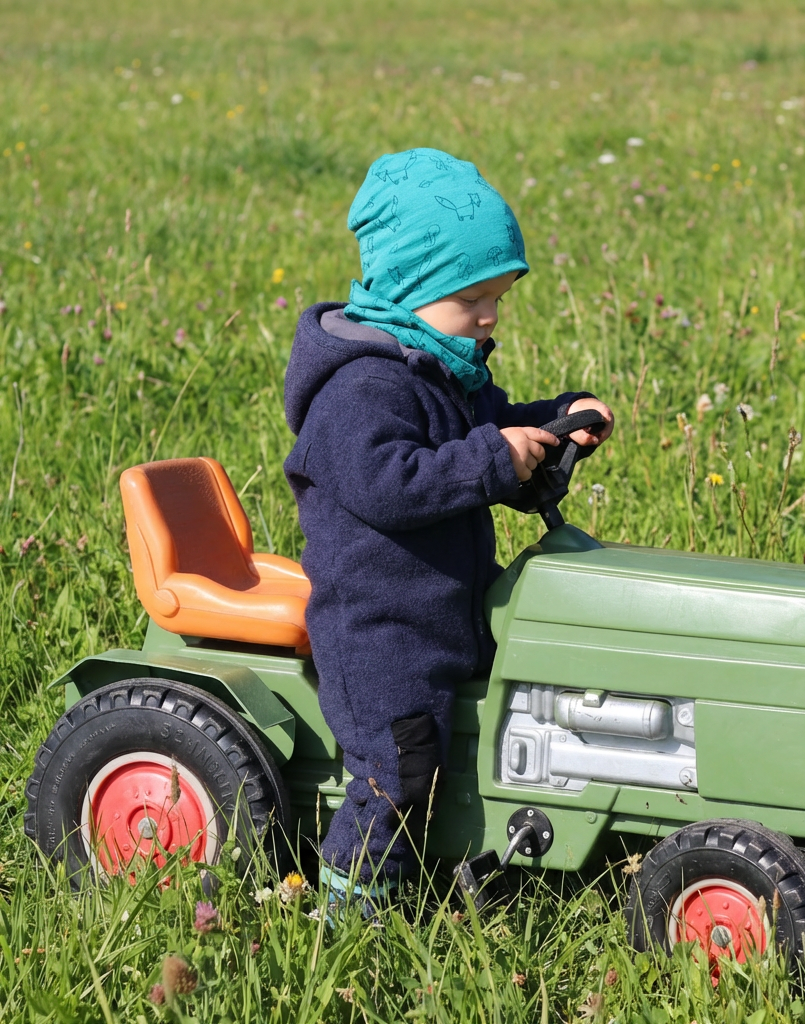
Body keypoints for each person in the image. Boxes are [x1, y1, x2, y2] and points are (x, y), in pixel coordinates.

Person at [282, 147, 613, 899]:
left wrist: (556, 421)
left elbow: (489, 427)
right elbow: (389, 485)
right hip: (383, 626)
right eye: (473, 301)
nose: (490, 317)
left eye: (499, 296)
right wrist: (496, 459)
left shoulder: (444, 369)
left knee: (521, 708)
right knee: (396, 766)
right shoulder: (362, 389)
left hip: (452, 608)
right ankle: (353, 901)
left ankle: (490, 847)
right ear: (411, 290)